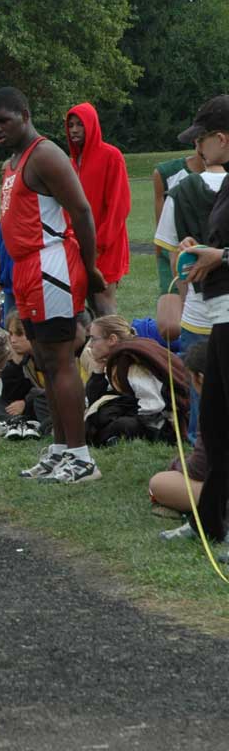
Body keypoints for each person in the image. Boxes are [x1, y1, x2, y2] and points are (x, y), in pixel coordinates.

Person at [0, 86, 105, 483]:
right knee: (41, 360)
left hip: (50, 266)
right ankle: (59, 449)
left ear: (25, 114)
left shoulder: (45, 154)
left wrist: (90, 270)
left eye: (4, 120)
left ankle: (82, 456)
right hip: (23, 270)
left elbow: (82, 210)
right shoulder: (12, 162)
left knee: (60, 361)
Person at [161, 95, 229, 547]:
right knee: (217, 423)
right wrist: (201, 249)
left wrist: (221, 255)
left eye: (202, 141)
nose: (198, 150)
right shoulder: (223, 185)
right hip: (221, 312)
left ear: (220, 139)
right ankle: (208, 523)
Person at [153, 155, 226, 440]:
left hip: (200, 312)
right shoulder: (180, 189)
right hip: (204, 313)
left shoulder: (181, 192)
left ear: (219, 140)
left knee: (201, 389)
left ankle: (200, 452)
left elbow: (176, 263)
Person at [84, 315, 189, 448]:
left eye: (93, 339)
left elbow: (153, 406)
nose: (90, 345)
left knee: (119, 424)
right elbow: (95, 398)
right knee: (102, 415)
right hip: (144, 410)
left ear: (112, 339)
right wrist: (98, 370)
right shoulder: (117, 360)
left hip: (164, 420)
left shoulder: (131, 362)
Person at [65, 103, 131, 315]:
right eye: (71, 125)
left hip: (106, 244)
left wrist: (100, 241)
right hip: (79, 244)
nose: (74, 130)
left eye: (80, 125)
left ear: (91, 125)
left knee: (104, 303)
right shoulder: (71, 163)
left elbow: (119, 205)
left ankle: (121, 346)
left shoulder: (111, 156)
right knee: (89, 306)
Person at [149, 340, 210, 517]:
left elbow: (199, 469)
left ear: (200, 378)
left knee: (159, 483)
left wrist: (177, 464)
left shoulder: (212, 407)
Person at [152, 143, 205, 295]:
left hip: (212, 254)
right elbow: (161, 228)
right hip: (175, 252)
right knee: (173, 311)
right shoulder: (167, 173)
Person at [0, 312, 49, 438]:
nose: (13, 340)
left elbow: (54, 390)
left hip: (50, 403)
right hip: (33, 403)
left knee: (39, 398)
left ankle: (31, 423)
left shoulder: (48, 355)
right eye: (11, 334)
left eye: (20, 334)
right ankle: (18, 422)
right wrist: (15, 362)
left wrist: (25, 403)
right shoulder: (26, 357)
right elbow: (9, 393)